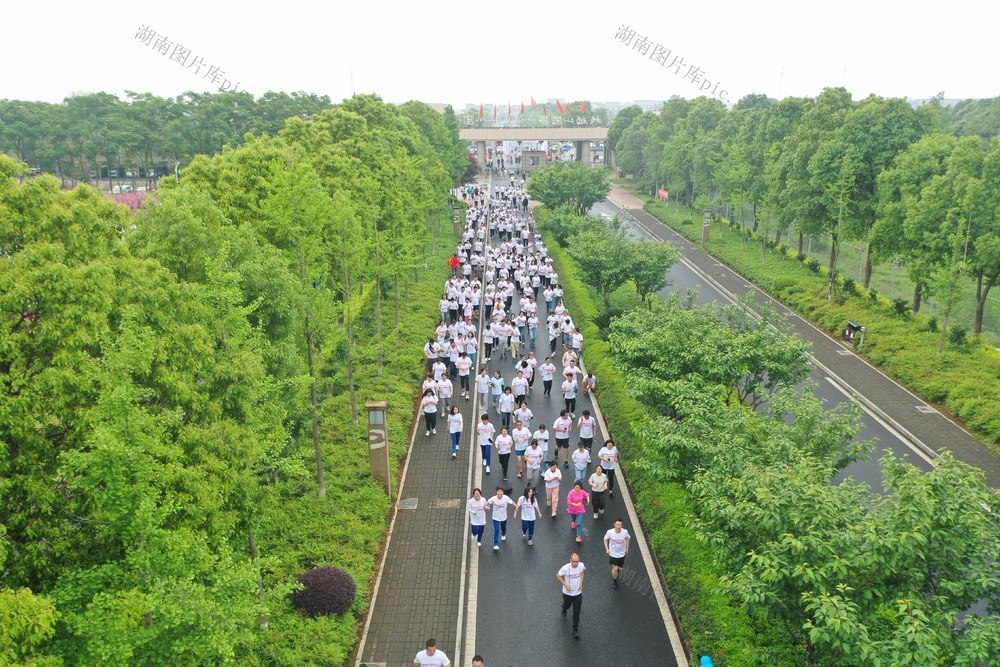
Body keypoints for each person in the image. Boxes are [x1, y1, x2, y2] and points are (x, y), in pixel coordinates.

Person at [557, 554, 586, 639]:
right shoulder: (565, 568)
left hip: (577, 593)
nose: (576, 563)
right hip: (567, 593)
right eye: (574, 561)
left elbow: (582, 573)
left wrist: (581, 584)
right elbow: (558, 575)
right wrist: (565, 584)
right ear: (570, 560)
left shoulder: (581, 566)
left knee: (576, 612)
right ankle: (564, 607)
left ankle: (575, 629)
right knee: (567, 605)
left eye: (577, 561)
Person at [604, 518, 632, 589]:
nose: (619, 526)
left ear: (622, 525)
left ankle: (616, 572)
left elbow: (628, 538)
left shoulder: (625, 532)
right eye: (617, 525)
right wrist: (607, 549)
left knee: (620, 568)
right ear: (614, 524)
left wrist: (627, 548)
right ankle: (615, 581)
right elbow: (605, 539)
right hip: (613, 553)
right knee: (615, 568)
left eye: (620, 525)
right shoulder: (610, 532)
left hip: (621, 553)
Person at [486, 486, 515, 551]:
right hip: (495, 517)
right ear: (496, 493)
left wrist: (516, 507)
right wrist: (486, 506)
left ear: (503, 493)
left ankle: (503, 534)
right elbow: (487, 502)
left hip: (503, 517)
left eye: (501, 493)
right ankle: (495, 544)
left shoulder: (506, 498)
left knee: (503, 527)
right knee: (496, 530)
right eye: (498, 494)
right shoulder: (493, 498)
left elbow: (512, 503)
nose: (499, 495)